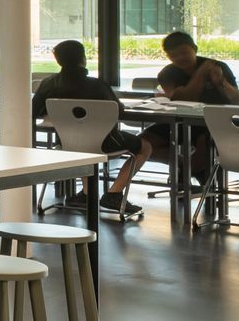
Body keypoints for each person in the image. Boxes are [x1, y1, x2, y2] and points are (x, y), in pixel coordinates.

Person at [32, 39, 151, 216]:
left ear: (58, 60)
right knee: (146, 147)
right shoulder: (97, 85)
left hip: (66, 143)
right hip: (105, 143)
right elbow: (118, 111)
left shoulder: (48, 84)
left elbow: (34, 111)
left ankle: (86, 195)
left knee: (85, 147)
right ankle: (114, 193)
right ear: (83, 58)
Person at [151, 30, 239, 181]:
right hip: (179, 121)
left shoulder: (219, 67)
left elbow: (238, 102)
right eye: (173, 55)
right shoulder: (167, 73)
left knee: (206, 143)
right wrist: (202, 73)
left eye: (183, 52)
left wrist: (221, 81)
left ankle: (187, 176)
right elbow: (184, 98)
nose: (180, 58)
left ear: (194, 48)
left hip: (216, 123)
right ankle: (190, 167)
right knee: (142, 143)